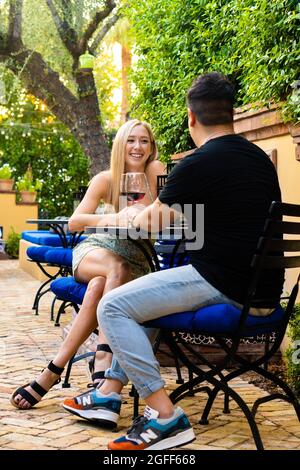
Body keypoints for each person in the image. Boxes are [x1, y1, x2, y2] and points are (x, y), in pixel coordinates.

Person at [63, 72, 284, 450]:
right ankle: (109, 393)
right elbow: (199, 220)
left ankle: (166, 417)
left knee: (114, 305)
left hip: (223, 285)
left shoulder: (200, 163)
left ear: (191, 118)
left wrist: (123, 216)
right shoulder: (259, 159)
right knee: (141, 297)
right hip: (264, 292)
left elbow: (150, 221)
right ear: (231, 114)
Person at [10, 119, 165, 410]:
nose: (138, 147)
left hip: (139, 259)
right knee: (114, 269)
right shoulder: (106, 179)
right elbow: (75, 222)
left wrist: (148, 213)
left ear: (151, 147)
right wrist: (112, 219)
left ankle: (51, 371)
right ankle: (103, 356)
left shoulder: (156, 172)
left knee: (100, 285)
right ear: (121, 144)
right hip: (97, 251)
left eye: (144, 141)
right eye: (131, 140)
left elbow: (170, 211)